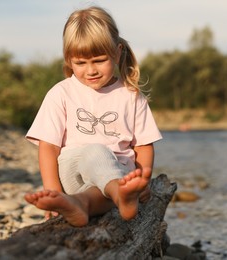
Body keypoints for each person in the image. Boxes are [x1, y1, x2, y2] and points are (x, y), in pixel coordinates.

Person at [24, 6, 162, 227]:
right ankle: (120, 195)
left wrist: (142, 181)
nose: (91, 71)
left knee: (104, 188)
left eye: (99, 60)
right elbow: (48, 146)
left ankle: (81, 204)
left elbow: (144, 146)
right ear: (69, 60)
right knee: (96, 151)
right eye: (80, 63)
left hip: (118, 174)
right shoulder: (61, 93)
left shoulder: (131, 96)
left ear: (117, 52)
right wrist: (53, 191)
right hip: (74, 170)